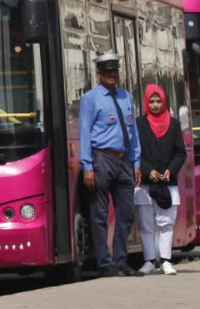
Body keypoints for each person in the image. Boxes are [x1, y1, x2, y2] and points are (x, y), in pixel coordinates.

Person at [79, 53, 143, 277]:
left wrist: (136, 161)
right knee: (100, 214)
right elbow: (85, 133)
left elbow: (133, 131)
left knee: (126, 213)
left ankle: (121, 259)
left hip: (124, 160)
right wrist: (87, 166)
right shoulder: (90, 98)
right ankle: (105, 264)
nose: (112, 76)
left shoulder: (126, 97)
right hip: (101, 159)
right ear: (99, 75)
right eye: (107, 73)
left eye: (114, 72)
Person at [134, 84, 185, 275]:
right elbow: (135, 151)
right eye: (151, 101)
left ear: (164, 102)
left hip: (167, 182)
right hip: (146, 183)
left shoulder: (174, 124)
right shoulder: (139, 124)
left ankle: (165, 260)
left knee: (166, 223)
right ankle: (149, 261)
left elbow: (180, 152)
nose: (155, 105)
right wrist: (148, 171)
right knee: (146, 224)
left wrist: (170, 170)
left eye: (158, 101)